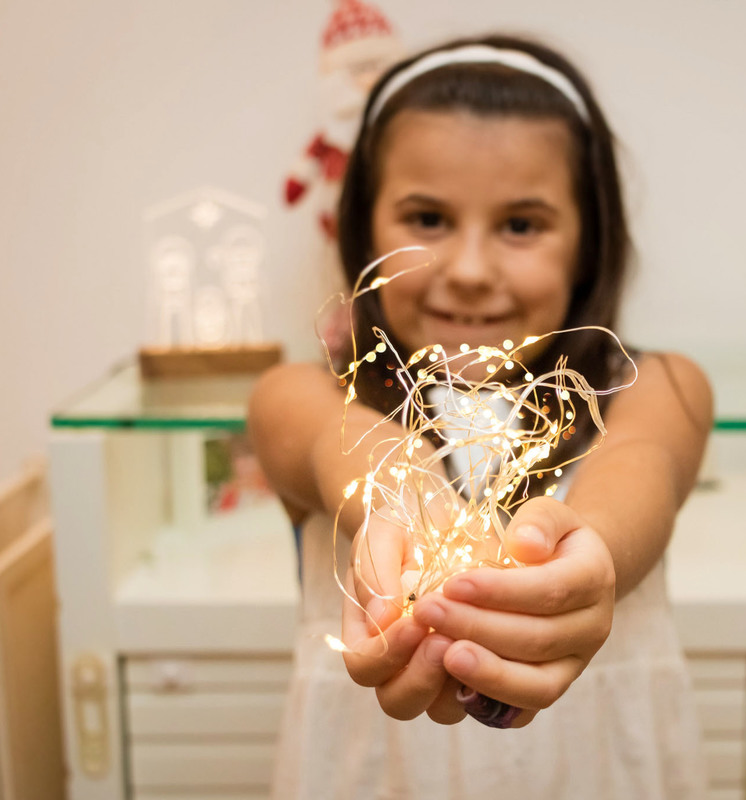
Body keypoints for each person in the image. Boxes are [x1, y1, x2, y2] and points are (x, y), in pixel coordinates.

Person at [248, 34, 713, 799]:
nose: (468, 271)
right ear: (363, 231)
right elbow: (356, 448)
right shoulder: (300, 396)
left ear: (588, 242)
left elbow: (640, 471)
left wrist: (587, 559)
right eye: (427, 218)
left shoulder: (660, 386)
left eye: (521, 225)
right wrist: (413, 511)